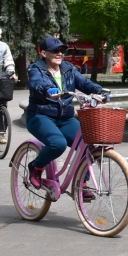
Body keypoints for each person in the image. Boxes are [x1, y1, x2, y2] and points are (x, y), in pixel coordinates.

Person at [24, 36, 106, 189]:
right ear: (43, 53)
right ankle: (36, 167)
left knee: (88, 144)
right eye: (55, 51)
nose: (59, 53)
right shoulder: (36, 69)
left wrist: (99, 91)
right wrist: (47, 90)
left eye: (62, 51)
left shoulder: (68, 69)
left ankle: (81, 183)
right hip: (40, 116)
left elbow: (84, 83)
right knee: (58, 144)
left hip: (66, 119)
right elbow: (36, 84)